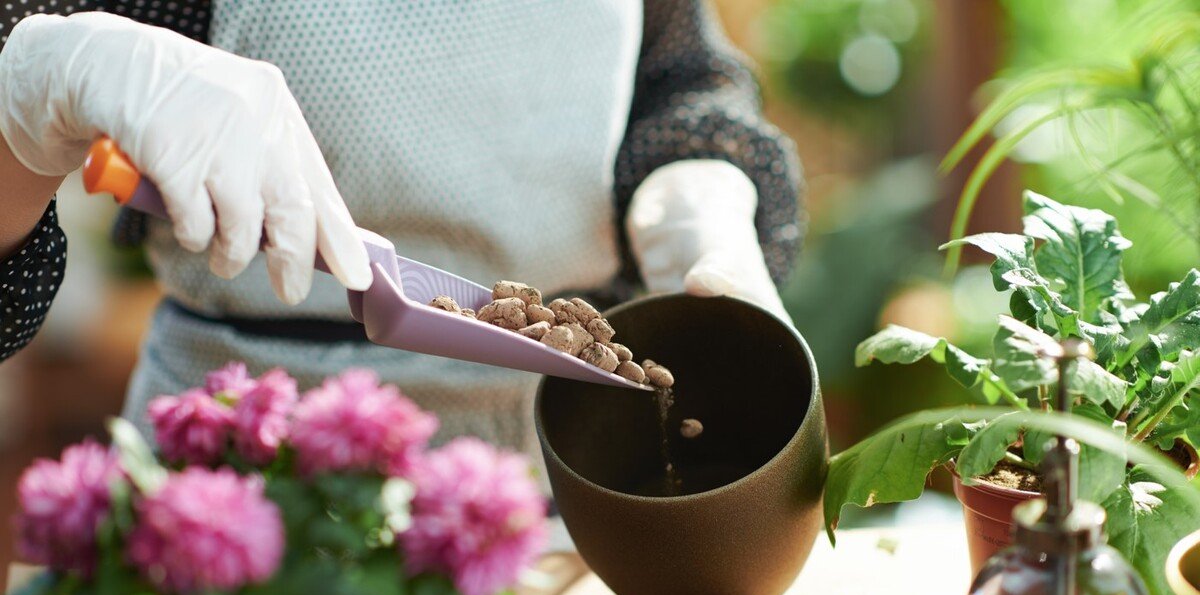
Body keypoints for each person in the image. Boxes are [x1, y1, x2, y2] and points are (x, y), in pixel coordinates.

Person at [0, 2, 801, 457]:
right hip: (241, 475)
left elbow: (681, 75)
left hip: (560, 471)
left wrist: (697, 183)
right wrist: (38, 95)